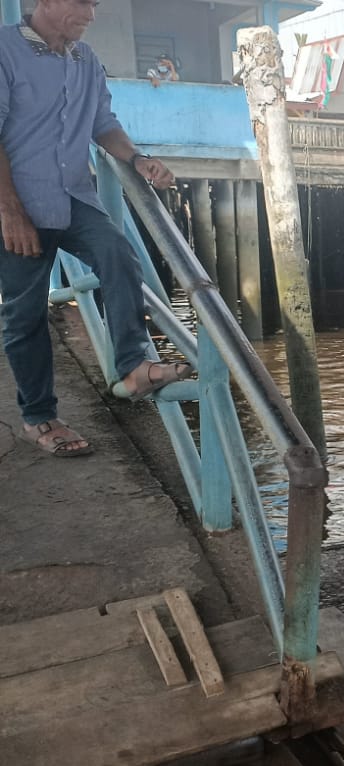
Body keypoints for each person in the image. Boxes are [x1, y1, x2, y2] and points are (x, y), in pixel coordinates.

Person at [0, 0, 187, 458]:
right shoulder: (4, 50)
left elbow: (103, 123)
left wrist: (137, 159)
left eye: (94, 3)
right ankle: (39, 417)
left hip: (73, 197)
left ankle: (133, 365)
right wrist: (10, 211)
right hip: (19, 201)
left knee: (118, 253)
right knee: (25, 315)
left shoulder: (86, 60)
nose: (91, 13)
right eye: (81, 1)